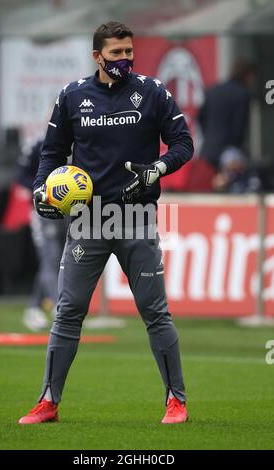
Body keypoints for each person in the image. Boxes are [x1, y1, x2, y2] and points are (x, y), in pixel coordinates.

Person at [18, 21, 194, 425]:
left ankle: (176, 401)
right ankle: (48, 402)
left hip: (135, 218)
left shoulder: (152, 92)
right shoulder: (73, 95)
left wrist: (158, 169)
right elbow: (52, 153)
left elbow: (184, 143)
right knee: (68, 312)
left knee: (155, 312)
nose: (124, 60)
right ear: (97, 56)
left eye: (128, 52)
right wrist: (42, 190)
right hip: (88, 221)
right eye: (116, 54)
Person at [15, 140, 68, 330]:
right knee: (50, 257)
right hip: (43, 210)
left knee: (60, 258)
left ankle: (33, 307)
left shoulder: (80, 139)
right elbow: (20, 176)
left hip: (69, 210)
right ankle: (57, 305)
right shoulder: (37, 145)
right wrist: (45, 188)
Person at [190, 59, 256, 191]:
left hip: (209, 150)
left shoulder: (212, 91)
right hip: (229, 154)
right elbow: (239, 127)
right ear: (248, 75)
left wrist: (210, 136)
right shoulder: (242, 94)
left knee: (209, 189)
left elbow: (200, 118)